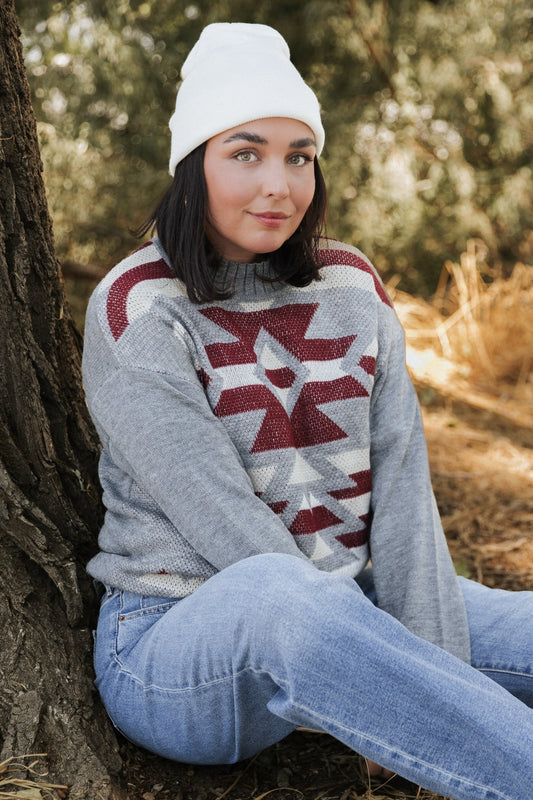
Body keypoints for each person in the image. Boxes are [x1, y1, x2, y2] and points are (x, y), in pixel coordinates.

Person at [82, 22, 533, 800]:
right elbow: (224, 524)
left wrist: (423, 669)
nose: (278, 185)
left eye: (298, 156)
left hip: (353, 603)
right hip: (178, 644)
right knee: (281, 594)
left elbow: (403, 487)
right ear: (193, 166)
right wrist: (388, 684)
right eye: (245, 153)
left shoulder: (350, 285)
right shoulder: (139, 307)